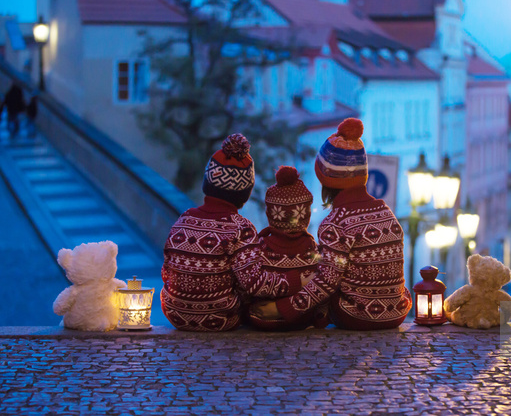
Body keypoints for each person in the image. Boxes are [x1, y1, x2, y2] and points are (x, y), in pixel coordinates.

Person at [253, 118, 412, 330]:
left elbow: (326, 282)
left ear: (326, 180)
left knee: (318, 280)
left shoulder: (335, 224)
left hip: (356, 316)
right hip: (396, 314)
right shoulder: (386, 213)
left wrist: (282, 309)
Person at [161, 133, 258, 332]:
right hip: (222, 319)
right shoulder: (241, 228)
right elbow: (252, 284)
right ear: (244, 192)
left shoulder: (183, 220)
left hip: (175, 315)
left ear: (208, 182)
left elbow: (166, 271)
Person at [233, 165, 325, 331]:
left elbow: (244, 290)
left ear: (270, 214)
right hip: (303, 319)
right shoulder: (314, 250)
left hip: (261, 321)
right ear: (306, 214)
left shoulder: (258, 249)